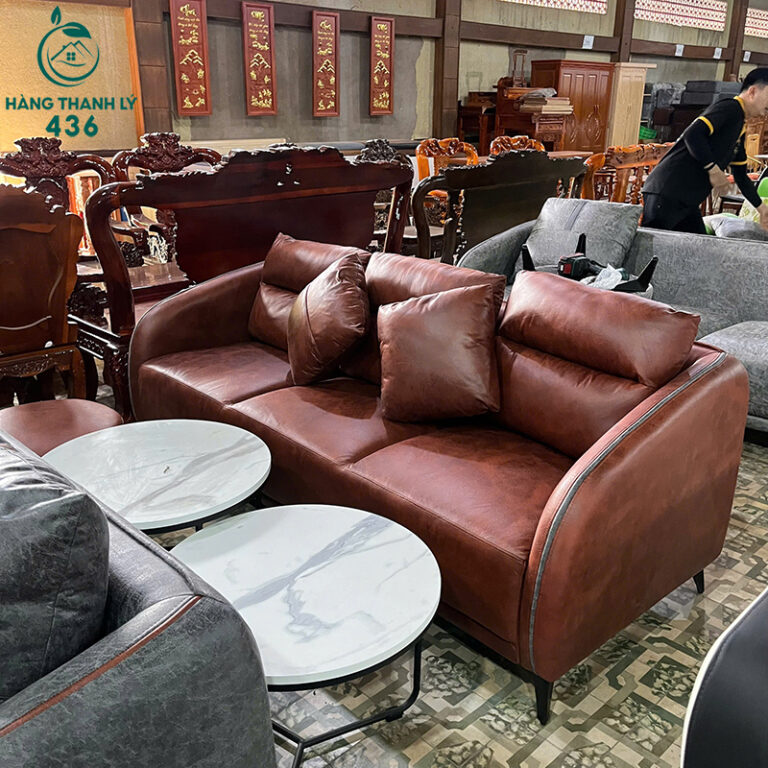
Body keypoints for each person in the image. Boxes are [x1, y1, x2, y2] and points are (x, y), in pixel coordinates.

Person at [642, 68, 768, 233]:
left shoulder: (740, 126)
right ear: (752, 92)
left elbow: (741, 176)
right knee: (651, 244)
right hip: (668, 191)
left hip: (687, 200)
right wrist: (713, 169)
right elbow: (693, 134)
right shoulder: (730, 108)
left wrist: (761, 208)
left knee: (699, 245)